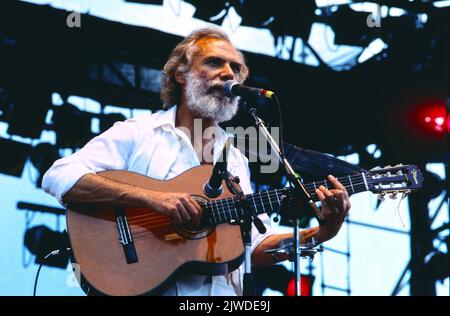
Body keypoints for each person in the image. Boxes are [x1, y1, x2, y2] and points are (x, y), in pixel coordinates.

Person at [42, 27, 351, 296]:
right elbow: (60, 176)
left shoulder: (236, 158)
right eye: (215, 62)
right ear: (181, 73)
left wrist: (321, 233)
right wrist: (154, 200)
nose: (229, 73)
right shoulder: (138, 133)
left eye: (236, 68)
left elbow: (254, 246)